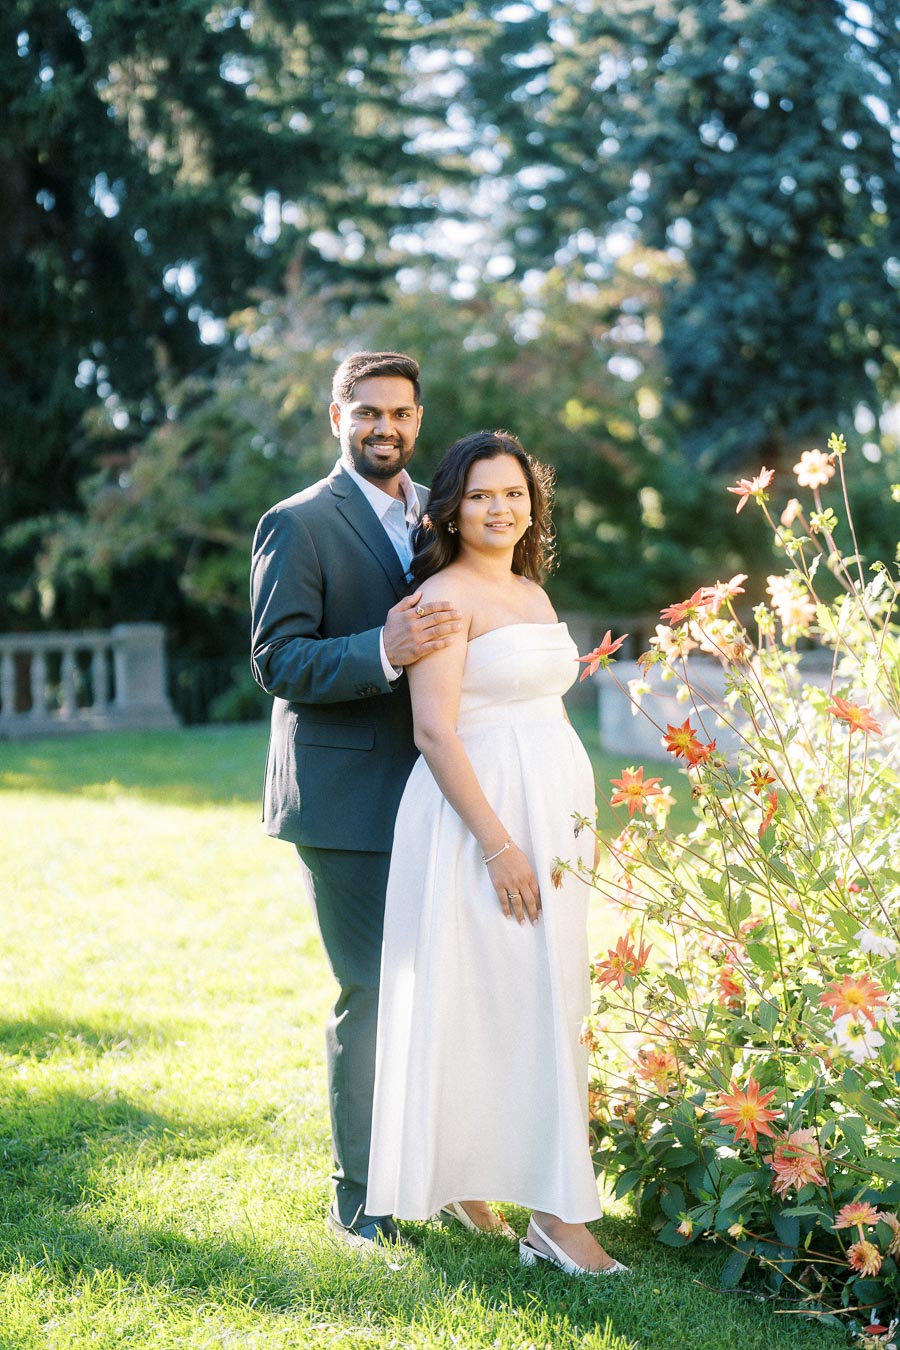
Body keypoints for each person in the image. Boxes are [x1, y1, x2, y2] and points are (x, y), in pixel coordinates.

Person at [365, 430, 628, 1275]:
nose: (499, 507)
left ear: (532, 504)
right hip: (479, 825)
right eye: (481, 494)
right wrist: (499, 846)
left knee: (533, 1001)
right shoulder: (445, 596)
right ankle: (557, 1220)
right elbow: (436, 732)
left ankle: (472, 1174)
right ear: (452, 506)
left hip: (549, 819)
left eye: (513, 493)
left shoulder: (528, 590)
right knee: (504, 998)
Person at [249, 351, 461, 1252]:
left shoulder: (438, 515)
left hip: (440, 783)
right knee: (371, 992)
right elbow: (278, 661)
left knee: (441, 988)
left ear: (419, 418)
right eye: (367, 412)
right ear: (336, 416)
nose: (386, 428)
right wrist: (384, 646)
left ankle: (439, 1172)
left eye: (402, 414)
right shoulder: (298, 523)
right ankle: (362, 1200)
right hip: (343, 797)